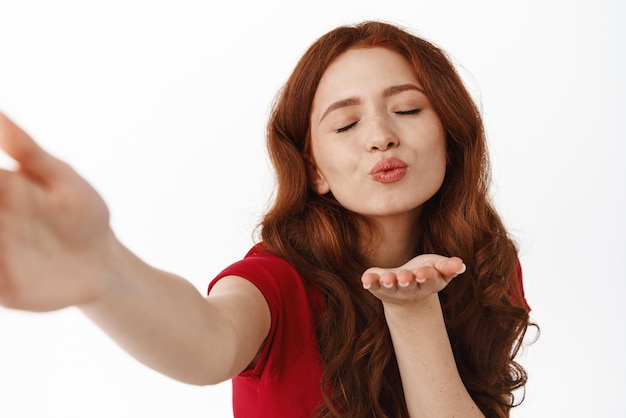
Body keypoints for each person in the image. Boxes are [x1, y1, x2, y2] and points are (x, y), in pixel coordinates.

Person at [0, 21, 533, 417]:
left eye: (409, 110)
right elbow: (210, 343)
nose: (380, 136)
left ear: (452, 136)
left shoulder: (484, 266)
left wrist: (415, 314)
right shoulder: (275, 281)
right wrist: (104, 274)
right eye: (346, 124)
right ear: (314, 170)